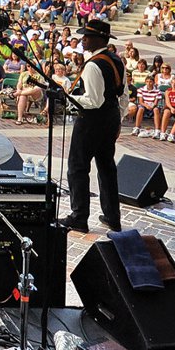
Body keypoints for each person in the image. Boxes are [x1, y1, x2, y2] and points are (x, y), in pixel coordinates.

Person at [61, 19, 127, 234]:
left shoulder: (93, 65)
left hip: (91, 120)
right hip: (110, 117)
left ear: (98, 39)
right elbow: (123, 94)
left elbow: (93, 100)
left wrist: (68, 97)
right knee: (106, 166)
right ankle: (112, 217)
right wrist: (119, 119)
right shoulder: (116, 60)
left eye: (86, 36)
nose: (82, 39)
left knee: (78, 167)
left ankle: (79, 217)